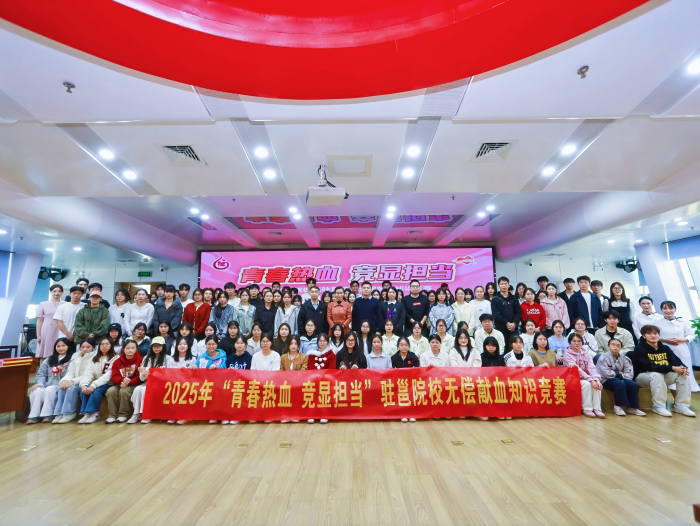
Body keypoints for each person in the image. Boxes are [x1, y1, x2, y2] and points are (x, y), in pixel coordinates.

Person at [631, 324, 694, 417]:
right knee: (657, 375)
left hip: (663, 376)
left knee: (683, 375)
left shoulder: (665, 348)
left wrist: (683, 368)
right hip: (642, 377)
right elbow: (650, 366)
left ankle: (681, 405)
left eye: (655, 333)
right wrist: (672, 368)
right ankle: (659, 406)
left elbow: (676, 361)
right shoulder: (639, 349)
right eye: (649, 334)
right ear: (643, 336)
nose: (653, 336)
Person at [26, 337, 72, 424]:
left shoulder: (71, 359)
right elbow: (41, 374)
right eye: (58, 346)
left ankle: (48, 414)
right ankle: (33, 416)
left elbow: (71, 375)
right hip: (47, 384)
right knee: (37, 390)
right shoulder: (49, 359)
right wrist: (40, 383)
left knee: (49, 390)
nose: (61, 348)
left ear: (68, 346)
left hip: (60, 385)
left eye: (63, 346)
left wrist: (63, 371)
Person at [656, 300, 699, 392]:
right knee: (672, 371)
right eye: (665, 308)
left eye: (671, 308)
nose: (668, 311)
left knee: (685, 369)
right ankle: (674, 392)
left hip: (681, 348)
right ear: (661, 310)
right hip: (666, 349)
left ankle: (687, 390)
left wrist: (681, 340)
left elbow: (691, 335)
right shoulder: (657, 322)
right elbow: (655, 336)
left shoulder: (683, 321)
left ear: (675, 309)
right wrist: (666, 340)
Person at [596, 338, 645, 417]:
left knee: (633, 384)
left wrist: (620, 375)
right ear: (608, 346)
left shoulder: (625, 358)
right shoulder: (603, 358)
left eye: (618, 345)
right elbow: (605, 373)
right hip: (605, 379)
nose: (616, 347)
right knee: (620, 384)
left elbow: (629, 373)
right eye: (613, 345)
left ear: (621, 348)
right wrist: (619, 374)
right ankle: (618, 406)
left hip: (622, 378)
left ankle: (632, 407)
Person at [52, 338, 97, 423]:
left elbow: (88, 374)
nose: (85, 349)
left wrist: (72, 382)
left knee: (71, 388)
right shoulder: (75, 355)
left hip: (86, 382)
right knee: (62, 387)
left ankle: (69, 413)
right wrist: (65, 381)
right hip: (74, 381)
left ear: (93, 347)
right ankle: (59, 413)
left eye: (88, 347)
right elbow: (70, 371)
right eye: (83, 347)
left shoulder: (95, 357)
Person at [77, 337, 119, 424]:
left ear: (111, 346)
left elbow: (108, 376)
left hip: (109, 384)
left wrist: (94, 385)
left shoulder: (115, 358)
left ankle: (94, 413)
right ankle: (86, 413)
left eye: (107, 344)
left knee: (96, 390)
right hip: (96, 383)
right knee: (84, 389)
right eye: (102, 344)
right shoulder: (94, 358)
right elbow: (88, 373)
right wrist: (84, 384)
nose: (104, 346)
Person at [129, 336, 169, 424]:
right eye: (154, 346)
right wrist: (144, 374)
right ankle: (136, 414)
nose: (156, 348)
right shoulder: (146, 358)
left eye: (158, 346)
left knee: (145, 390)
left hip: (160, 384)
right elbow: (141, 377)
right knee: (137, 389)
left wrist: (162, 371)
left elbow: (169, 375)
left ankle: (146, 414)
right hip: (148, 382)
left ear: (163, 347)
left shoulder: (168, 358)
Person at [564, 333, 604, 418]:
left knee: (597, 384)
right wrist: (591, 380)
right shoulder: (567, 354)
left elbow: (592, 368)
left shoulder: (587, 354)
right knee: (587, 384)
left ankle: (597, 408)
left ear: (582, 342)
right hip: (573, 378)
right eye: (574, 341)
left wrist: (596, 379)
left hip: (587, 378)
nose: (577, 343)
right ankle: (587, 408)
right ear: (570, 342)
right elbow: (577, 370)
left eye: (579, 341)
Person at [105, 340, 143, 423]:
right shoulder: (117, 361)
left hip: (134, 384)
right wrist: (123, 380)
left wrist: (128, 382)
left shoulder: (141, 360)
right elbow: (114, 376)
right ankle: (112, 415)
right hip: (120, 383)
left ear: (136, 349)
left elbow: (139, 377)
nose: (130, 350)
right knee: (110, 391)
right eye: (128, 348)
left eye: (132, 348)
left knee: (124, 391)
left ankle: (123, 414)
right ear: (123, 349)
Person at [35, 284, 66, 360]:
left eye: (59, 291)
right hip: (47, 329)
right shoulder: (43, 304)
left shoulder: (66, 304)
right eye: (54, 291)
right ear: (51, 292)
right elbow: (39, 320)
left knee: (60, 353)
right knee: (45, 354)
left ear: (62, 292)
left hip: (61, 329)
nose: (56, 293)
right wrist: (38, 335)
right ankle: (43, 367)